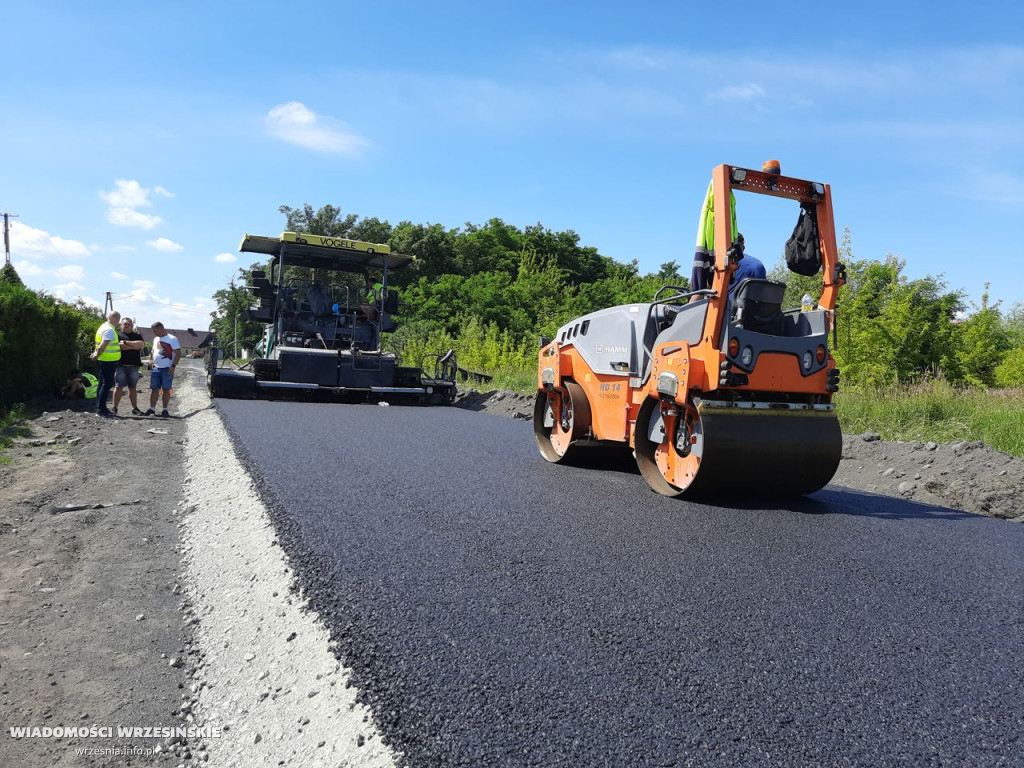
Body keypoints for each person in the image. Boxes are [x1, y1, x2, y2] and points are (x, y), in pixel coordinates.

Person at [89, 310, 121, 417]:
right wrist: (97, 354)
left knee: (102, 383)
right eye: (118, 319)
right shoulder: (109, 330)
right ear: (115, 319)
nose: (118, 322)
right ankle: (101, 410)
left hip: (104, 359)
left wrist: (95, 354)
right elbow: (103, 345)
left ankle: (99, 407)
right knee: (106, 384)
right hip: (108, 361)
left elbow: (99, 344)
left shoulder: (103, 327)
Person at [145, 322, 180, 417]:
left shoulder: (172, 339)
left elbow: (178, 353)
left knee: (166, 389)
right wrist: (151, 360)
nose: (154, 333)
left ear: (161, 328)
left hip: (167, 368)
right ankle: (152, 408)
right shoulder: (156, 339)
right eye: (153, 331)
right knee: (154, 389)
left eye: (155, 330)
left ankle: (165, 409)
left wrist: (173, 366)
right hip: (156, 368)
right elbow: (153, 351)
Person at [112, 317, 146, 415]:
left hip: (134, 366)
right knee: (118, 387)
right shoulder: (117, 335)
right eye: (125, 324)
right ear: (121, 325)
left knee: (133, 388)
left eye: (129, 324)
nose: (127, 325)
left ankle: (134, 408)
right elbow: (119, 347)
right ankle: (115, 408)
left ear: (132, 325)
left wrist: (126, 342)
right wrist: (133, 346)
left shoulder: (137, 335)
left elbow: (141, 344)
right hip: (121, 365)